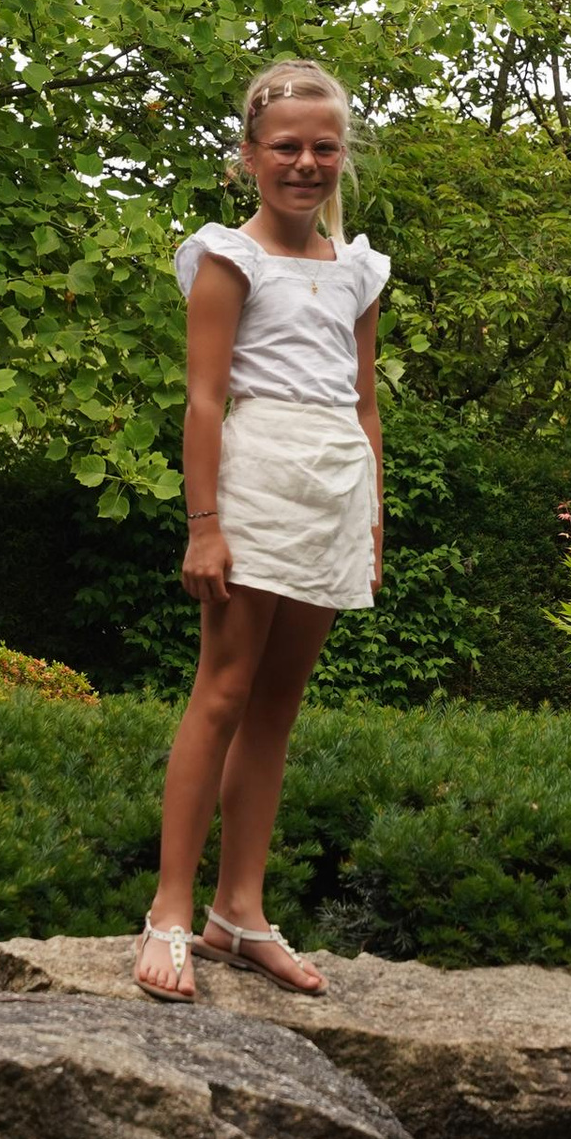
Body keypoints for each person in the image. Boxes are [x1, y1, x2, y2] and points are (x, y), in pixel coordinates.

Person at [134, 60, 388, 1000]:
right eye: (286, 146)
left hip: (332, 489)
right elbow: (203, 401)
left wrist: (371, 517)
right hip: (257, 483)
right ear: (249, 156)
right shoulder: (226, 258)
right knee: (223, 691)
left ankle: (239, 912)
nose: (307, 162)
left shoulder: (358, 269)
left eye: (325, 147)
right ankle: (168, 910)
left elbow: (365, 406)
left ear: (342, 155)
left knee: (278, 705)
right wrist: (204, 525)